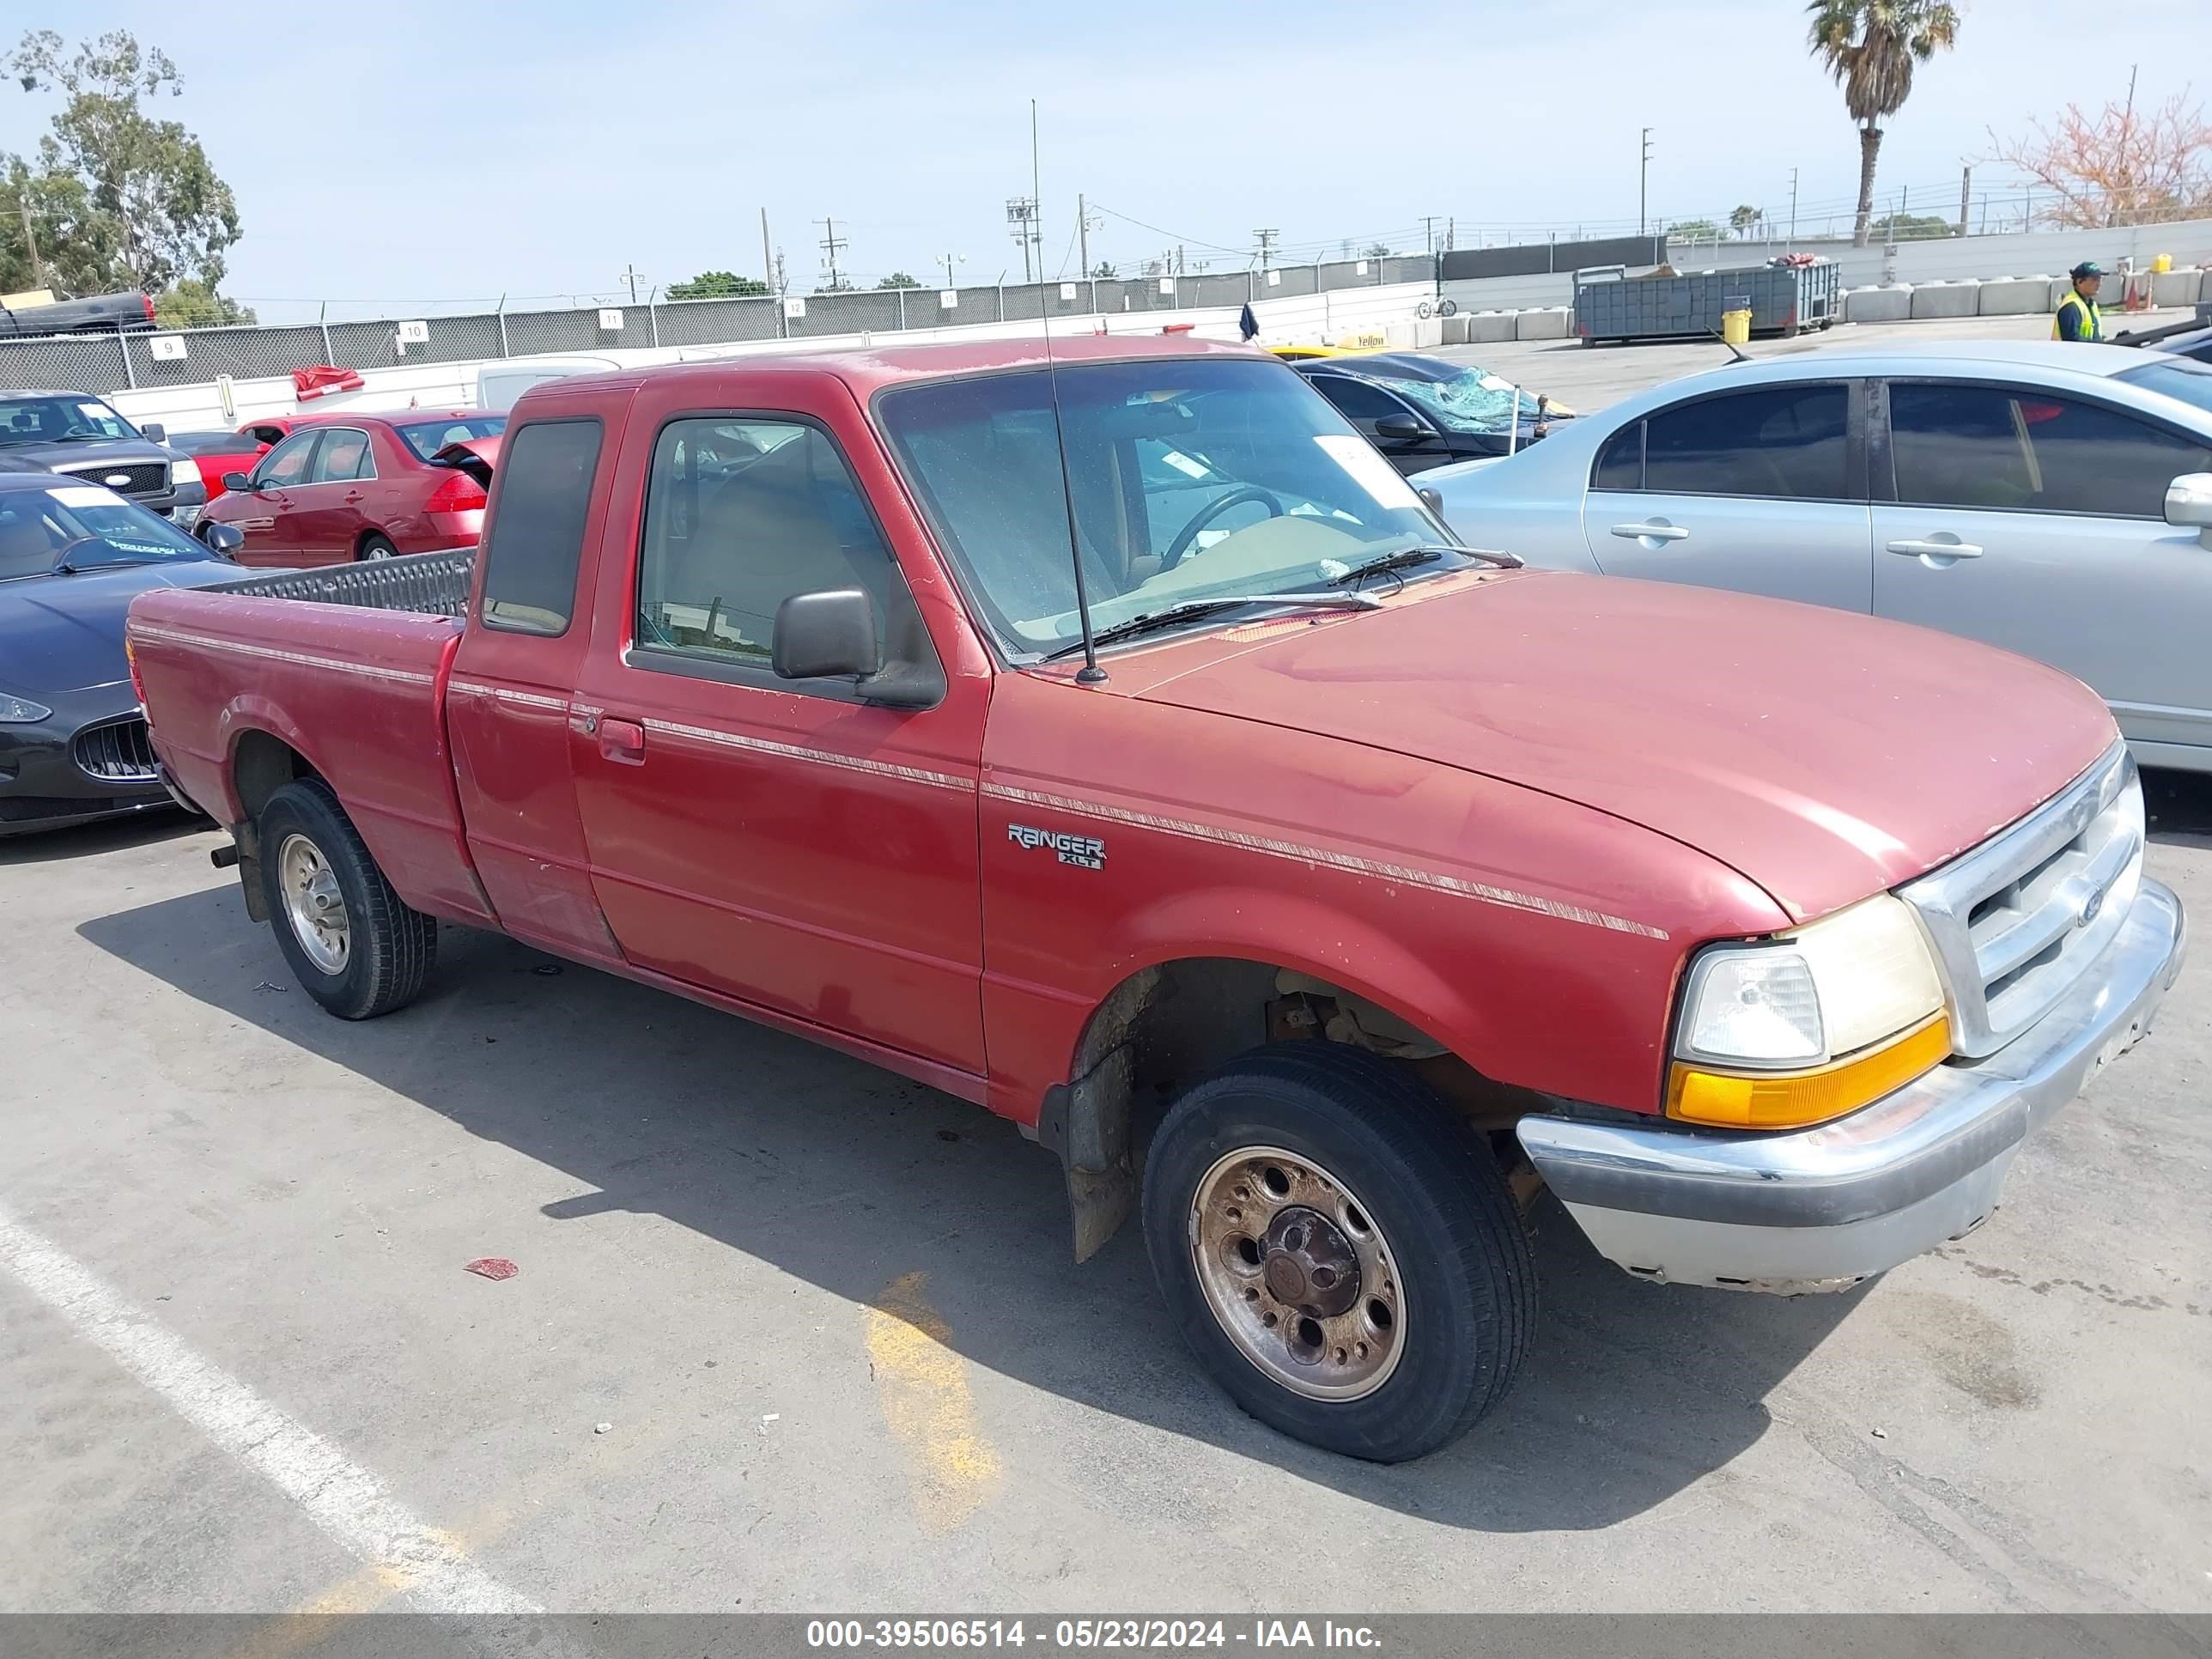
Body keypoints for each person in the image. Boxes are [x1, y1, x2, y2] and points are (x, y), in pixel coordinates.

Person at [2053, 261, 2105, 342]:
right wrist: (2099, 343)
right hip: (2071, 353)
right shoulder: (2071, 307)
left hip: (2088, 352)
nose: (2099, 284)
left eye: (2100, 279)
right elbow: (2071, 340)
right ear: (2079, 282)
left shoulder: (2091, 304)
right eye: (2095, 279)